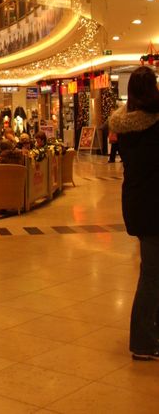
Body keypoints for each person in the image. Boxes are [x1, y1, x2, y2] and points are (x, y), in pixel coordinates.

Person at [109, 65, 159, 360]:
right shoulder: (154, 125)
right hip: (154, 206)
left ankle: (151, 332)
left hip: (138, 205)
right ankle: (142, 341)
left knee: (154, 273)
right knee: (152, 275)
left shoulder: (124, 127)